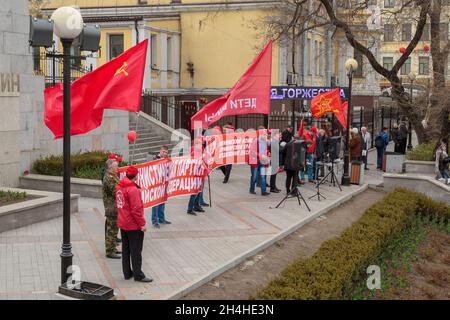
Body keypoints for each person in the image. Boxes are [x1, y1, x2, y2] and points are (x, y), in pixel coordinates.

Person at [116, 166, 152, 283]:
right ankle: (138, 275)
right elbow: (136, 210)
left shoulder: (120, 186)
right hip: (133, 225)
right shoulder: (132, 190)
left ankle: (127, 273)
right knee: (136, 251)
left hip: (123, 222)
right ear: (136, 176)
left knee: (126, 250)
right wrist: (142, 224)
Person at [103, 158, 121, 259]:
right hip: (112, 207)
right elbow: (115, 191)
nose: (117, 168)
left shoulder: (112, 176)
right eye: (116, 166)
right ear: (110, 167)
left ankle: (113, 248)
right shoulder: (109, 178)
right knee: (111, 230)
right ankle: (109, 251)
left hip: (114, 206)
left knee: (114, 229)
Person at [151, 146, 171, 228]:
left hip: (164, 183)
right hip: (156, 184)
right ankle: (154, 221)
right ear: (160, 151)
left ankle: (161, 218)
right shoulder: (155, 158)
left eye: (166, 152)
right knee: (155, 203)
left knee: (162, 201)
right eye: (163, 152)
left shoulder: (167, 160)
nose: (165, 153)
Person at [187, 138, 207, 215]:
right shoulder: (193, 152)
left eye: (201, 144)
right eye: (199, 144)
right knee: (194, 193)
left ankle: (196, 205)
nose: (201, 145)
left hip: (200, 175)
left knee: (199, 191)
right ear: (195, 145)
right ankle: (189, 208)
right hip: (195, 176)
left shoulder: (201, 151)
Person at [249, 127, 270, 196]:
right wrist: (260, 156)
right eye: (264, 134)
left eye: (266, 134)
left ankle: (263, 191)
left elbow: (265, 150)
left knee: (263, 176)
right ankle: (251, 189)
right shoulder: (255, 140)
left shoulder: (264, 141)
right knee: (254, 176)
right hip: (255, 161)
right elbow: (252, 151)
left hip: (262, 161)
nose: (266, 135)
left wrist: (267, 153)